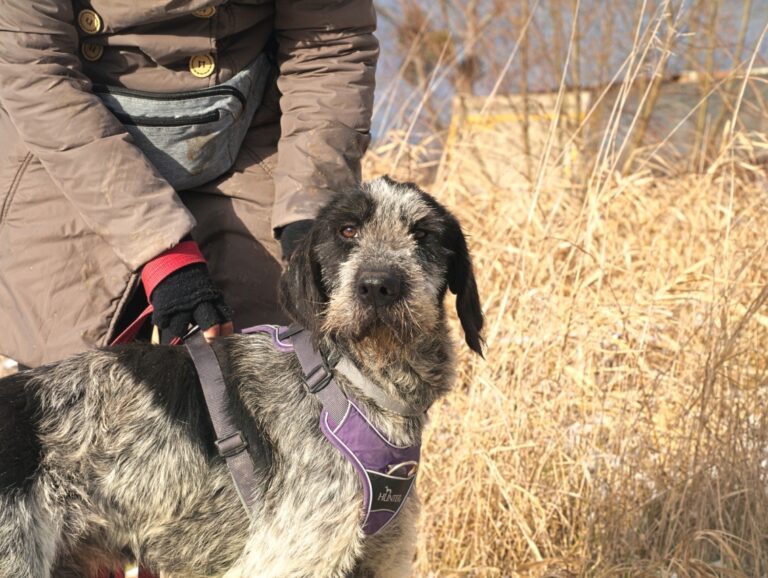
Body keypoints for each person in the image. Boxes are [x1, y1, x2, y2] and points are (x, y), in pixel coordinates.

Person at [0, 0, 378, 367]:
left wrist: (309, 216)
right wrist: (164, 254)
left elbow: (330, 47)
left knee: (271, 365)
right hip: (68, 143)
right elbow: (33, 67)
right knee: (67, 392)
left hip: (250, 137)